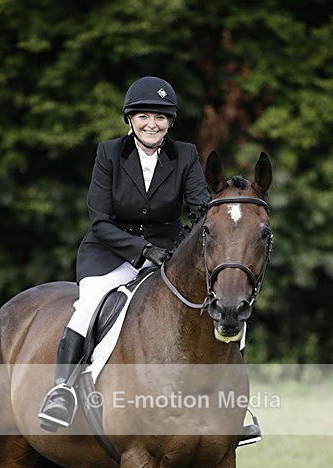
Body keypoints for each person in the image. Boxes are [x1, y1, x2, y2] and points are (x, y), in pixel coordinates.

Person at [39, 75, 261, 444]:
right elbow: (100, 220)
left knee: (225, 302)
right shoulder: (109, 154)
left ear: (169, 122)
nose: (151, 124)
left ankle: (235, 406)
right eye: (143, 116)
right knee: (90, 304)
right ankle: (61, 391)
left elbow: (202, 206)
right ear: (130, 120)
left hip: (167, 254)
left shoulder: (185, 154)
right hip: (109, 254)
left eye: (160, 117)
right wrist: (140, 251)